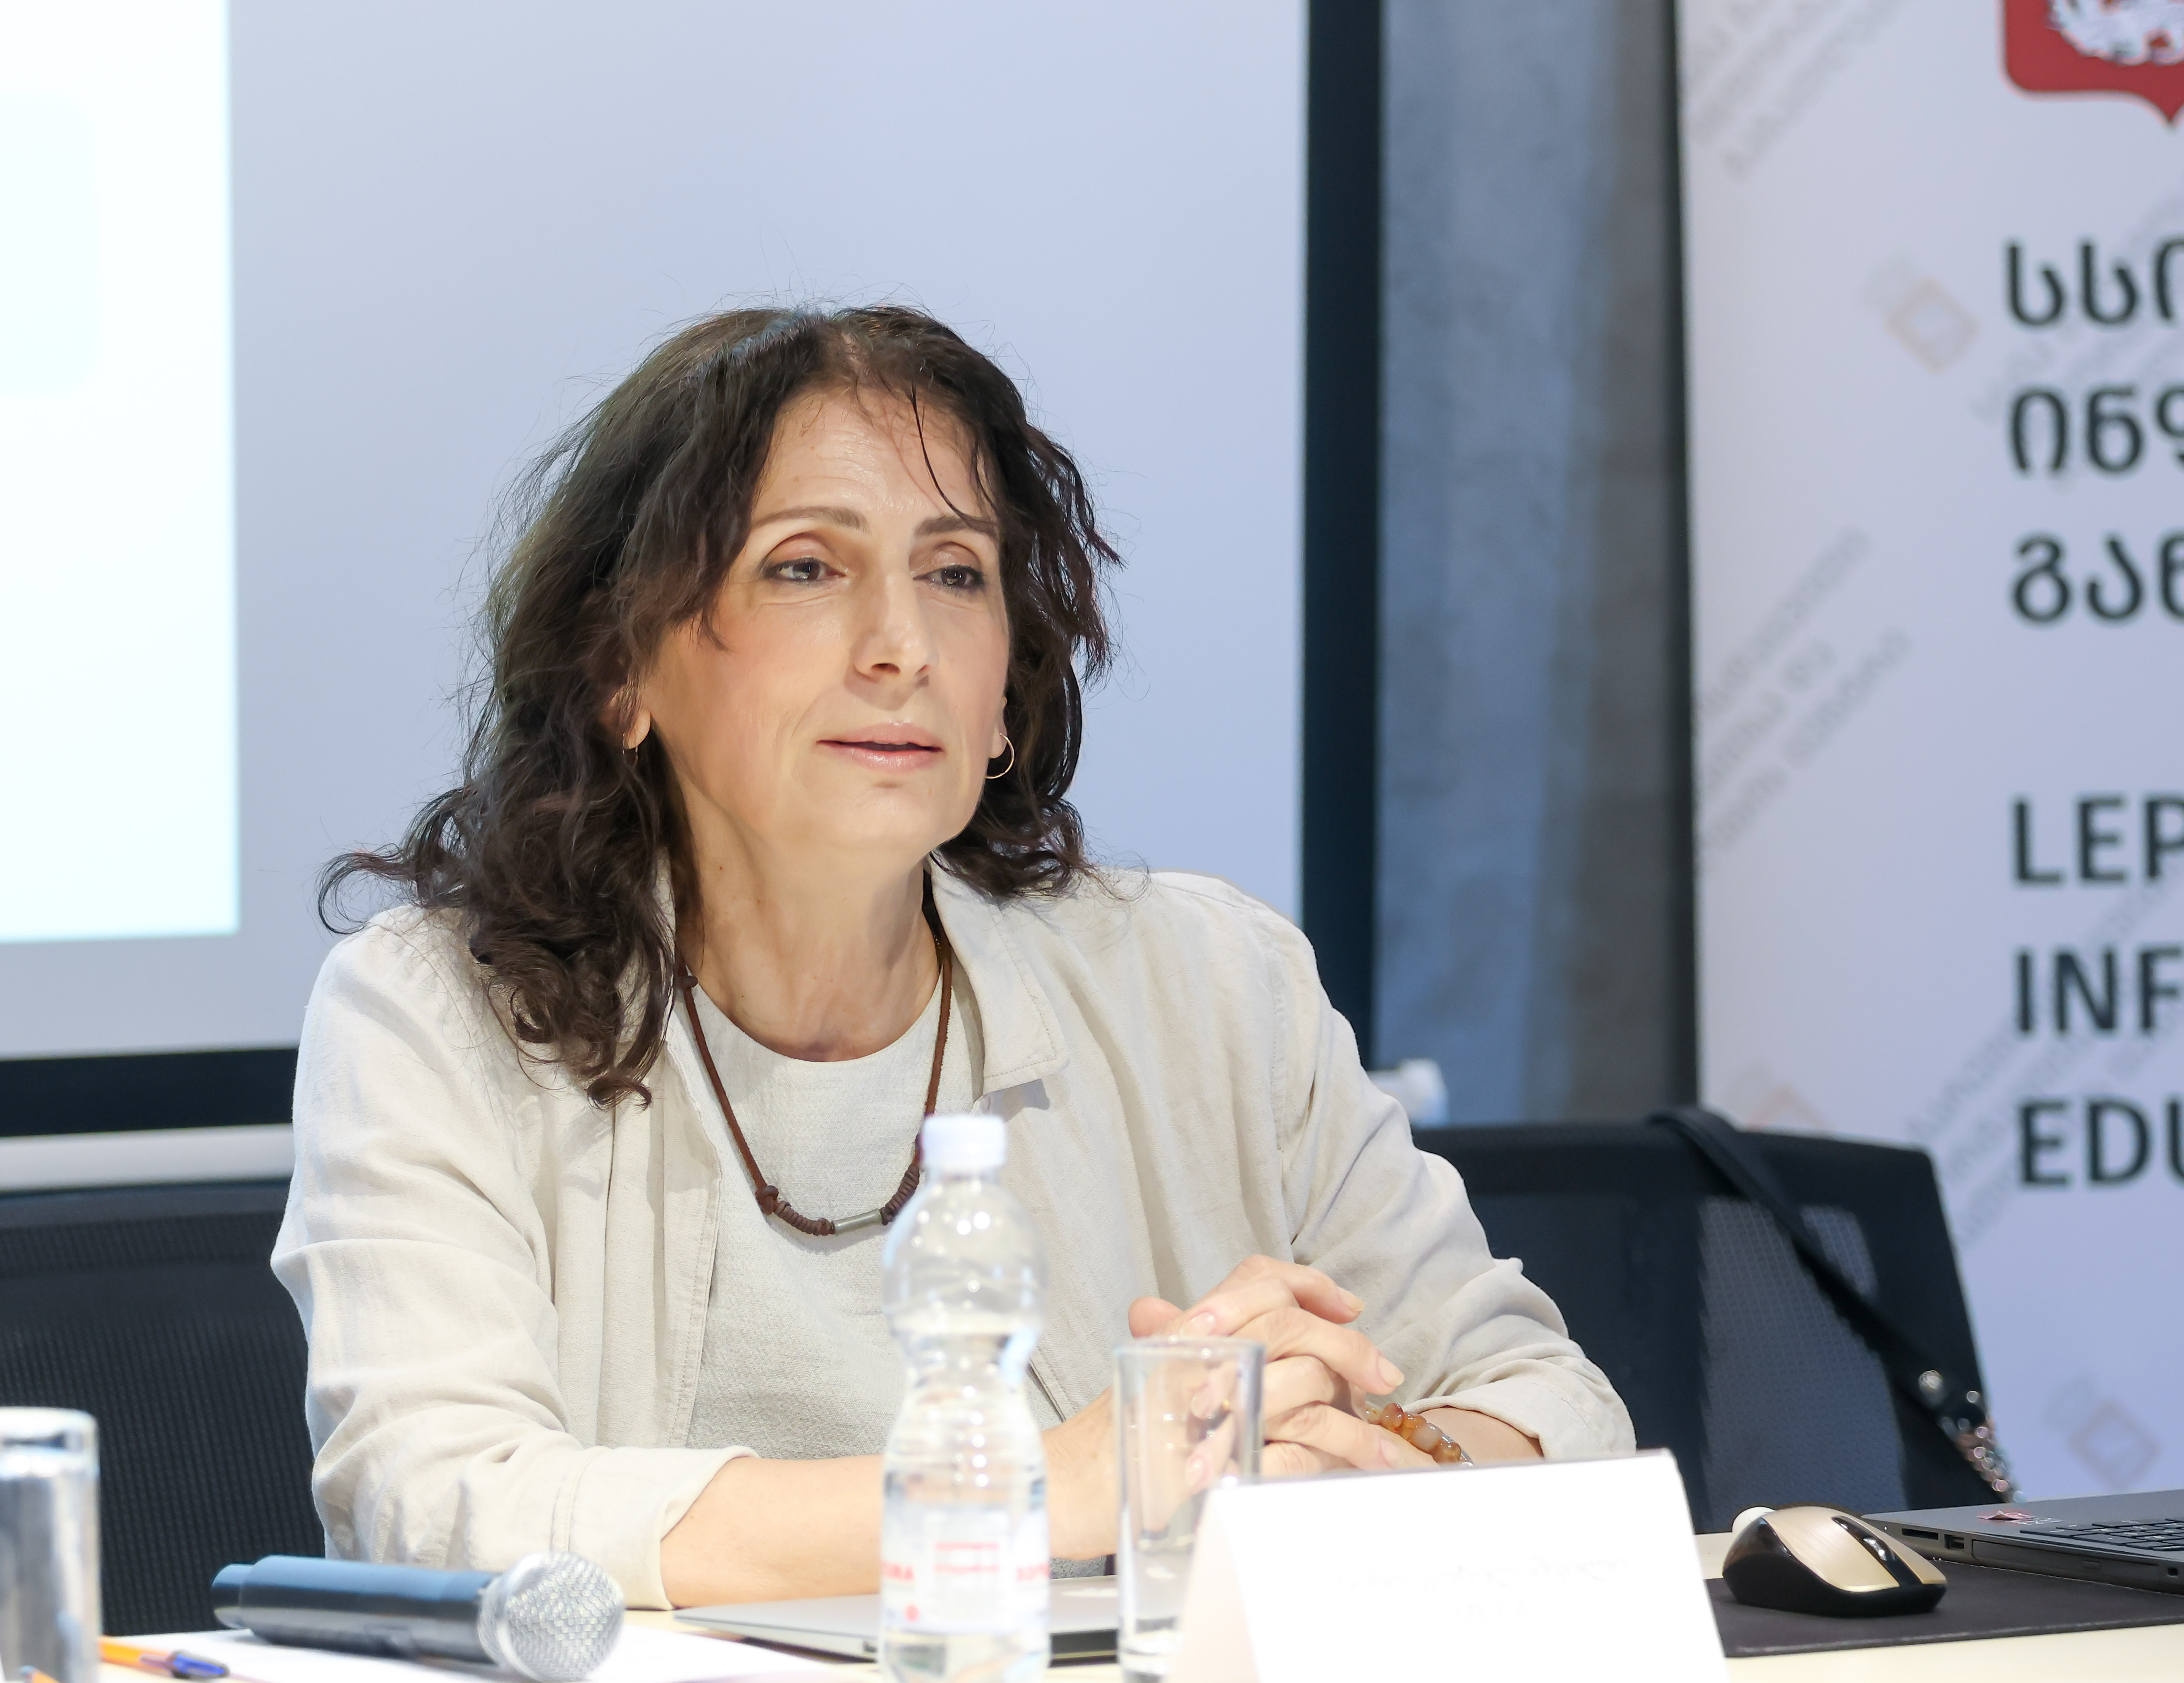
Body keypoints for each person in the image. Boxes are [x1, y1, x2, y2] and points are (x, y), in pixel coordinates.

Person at [273, 306, 1631, 1610]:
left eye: (956, 574)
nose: (903, 647)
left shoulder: (1213, 983)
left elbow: (1548, 1400)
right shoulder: (439, 1013)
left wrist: (1367, 1474)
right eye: (806, 567)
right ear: (623, 667)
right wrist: (1047, 1489)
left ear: (1003, 700)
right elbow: (440, 1500)